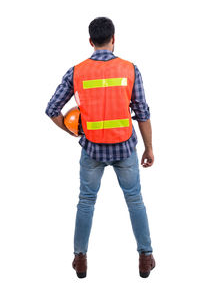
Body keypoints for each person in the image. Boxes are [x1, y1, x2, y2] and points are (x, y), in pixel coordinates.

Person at [45, 17, 156, 279]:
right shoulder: (130, 69)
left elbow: (52, 110)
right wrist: (149, 148)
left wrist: (74, 131)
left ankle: (80, 260)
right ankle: (145, 257)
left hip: (92, 150)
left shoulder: (77, 71)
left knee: (86, 202)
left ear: (90, 41)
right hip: (125, 148)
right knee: (135, 201)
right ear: (114, 39)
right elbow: (142, 112)